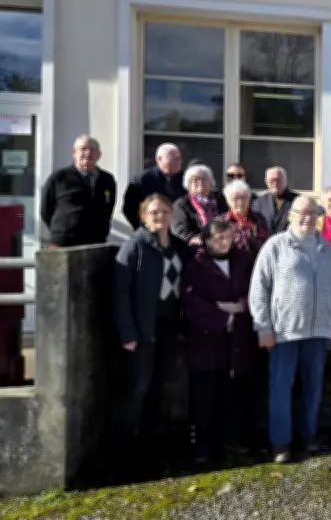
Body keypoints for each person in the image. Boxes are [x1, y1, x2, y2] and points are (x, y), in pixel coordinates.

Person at [249, 196, 331, 464]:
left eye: (313, 213)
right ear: (291, 215)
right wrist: (263, 327)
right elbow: (259, 289)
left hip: (318, 332)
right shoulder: (276, 246)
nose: (307, 218)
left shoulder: (327, 249)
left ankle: (308, 435)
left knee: (313, 388)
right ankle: (281, 443)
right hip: (284, 332)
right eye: (302, 213)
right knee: (281, 388)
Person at [113, 193, 190, 472]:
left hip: (169, 327)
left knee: (160, 387)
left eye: (165, 212)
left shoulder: (180, 248)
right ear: (144, 216)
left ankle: (152, 449)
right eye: (153, 212)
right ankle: (124, 453)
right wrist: (127, 332)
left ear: (172, 215)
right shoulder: (134, 246)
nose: (160, 217)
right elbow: (120, 293)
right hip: (141, 330)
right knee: (138, 388)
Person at [181, 219, 258, 463]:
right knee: (204, 396)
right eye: (218, 238)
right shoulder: (195, 264)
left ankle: (233, 442)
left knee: (234, 395)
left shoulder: (244, 260)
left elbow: (255, 290)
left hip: (238, 341)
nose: (224, 242)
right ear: (207, 240)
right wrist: (223, 315)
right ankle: (203, 448)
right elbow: (191, 301)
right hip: (206, 341)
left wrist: (241, 306)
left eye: (228, 237)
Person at [40, 135, 117, 247]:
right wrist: (64, 229)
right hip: (63, 242)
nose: (88, 153)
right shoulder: (59, 177)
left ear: (99, 155)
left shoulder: (107, 179)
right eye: (83, 149)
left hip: (96, 241)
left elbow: (108, 208)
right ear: (74, 152)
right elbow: (45, 210)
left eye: (92, 149)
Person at [122, 143, 185, 229]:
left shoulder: (186, 180)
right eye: (173, 158)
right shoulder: (143, 180)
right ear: (159, 159)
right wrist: (144, 227)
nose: (178, 161)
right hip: (151, 230)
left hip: (179, 230)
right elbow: (129, 208)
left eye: (179, 158)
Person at [171, 165, 228, 246]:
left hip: (223, 243)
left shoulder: (222, 199)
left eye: (204, 179)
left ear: (211, 182)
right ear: (188, 185)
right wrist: (191, 238)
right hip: (196, 247)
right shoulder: (181, 204)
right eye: (195, 180)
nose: (200, 182)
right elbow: (179, 228)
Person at [222, 180, 269, 252]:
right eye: (235, 198)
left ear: (249, 199)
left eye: (243, 197)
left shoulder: (259, 218)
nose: (240, 202)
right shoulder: (221, 222)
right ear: (228, 201)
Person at [251, 166, 299, 235]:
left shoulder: (298, 200)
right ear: (266, 182)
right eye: (271, 180)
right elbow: (254, 227)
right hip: (265, 244)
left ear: (285, 180)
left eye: (278, 180)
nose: (275, 183)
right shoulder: (258, 202)